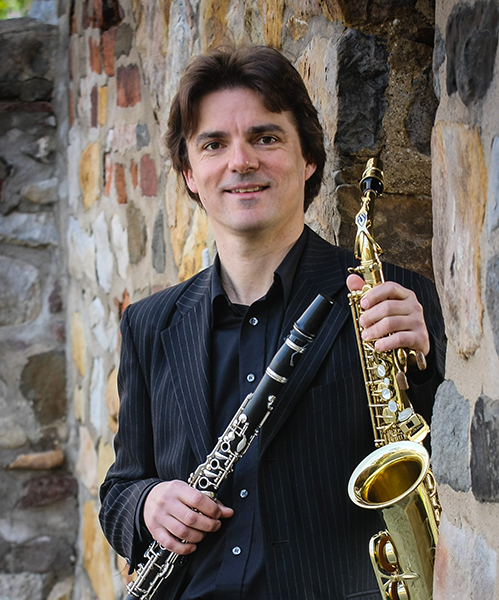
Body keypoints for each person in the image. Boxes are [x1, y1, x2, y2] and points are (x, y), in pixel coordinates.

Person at [99, 45, 445, 600]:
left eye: (265, 138)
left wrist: (422, 369)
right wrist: (147, 504)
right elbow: (119, 492)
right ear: (190, 174)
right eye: (214, 144)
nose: (241, 161)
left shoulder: (389, 300)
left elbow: (447, 480)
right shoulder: (149, 326)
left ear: (308, 159)